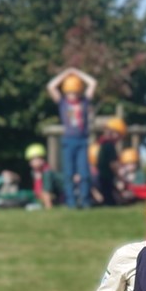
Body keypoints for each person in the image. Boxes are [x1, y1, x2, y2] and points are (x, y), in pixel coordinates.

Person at [46, 68, 98, 208]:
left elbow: (93, 83)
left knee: (84, 173)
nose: (72, 96)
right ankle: (71, 202)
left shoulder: (85, 101)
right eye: (69, 92)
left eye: (75, 92)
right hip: (68, 141)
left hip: (82, 141)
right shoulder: (63, 102)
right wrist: (66, 73)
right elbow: (51, 86)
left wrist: (77, 73)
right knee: (68, 173)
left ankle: (85, 200)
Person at [94, 117, 126, 206]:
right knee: (111, 200)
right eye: (119, 135)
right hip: (106, 177)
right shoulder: (110, 145)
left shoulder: (102, 143)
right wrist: (120, 177)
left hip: (102, 176)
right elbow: (113, 164)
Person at [26, 143, 64, 210]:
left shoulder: (47, 172)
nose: (35, 162)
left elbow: (46, 191)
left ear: (42, 160)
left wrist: (48, 206)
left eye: (38, 159)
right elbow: (38, 190)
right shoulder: (34, 173)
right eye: (32, 159)